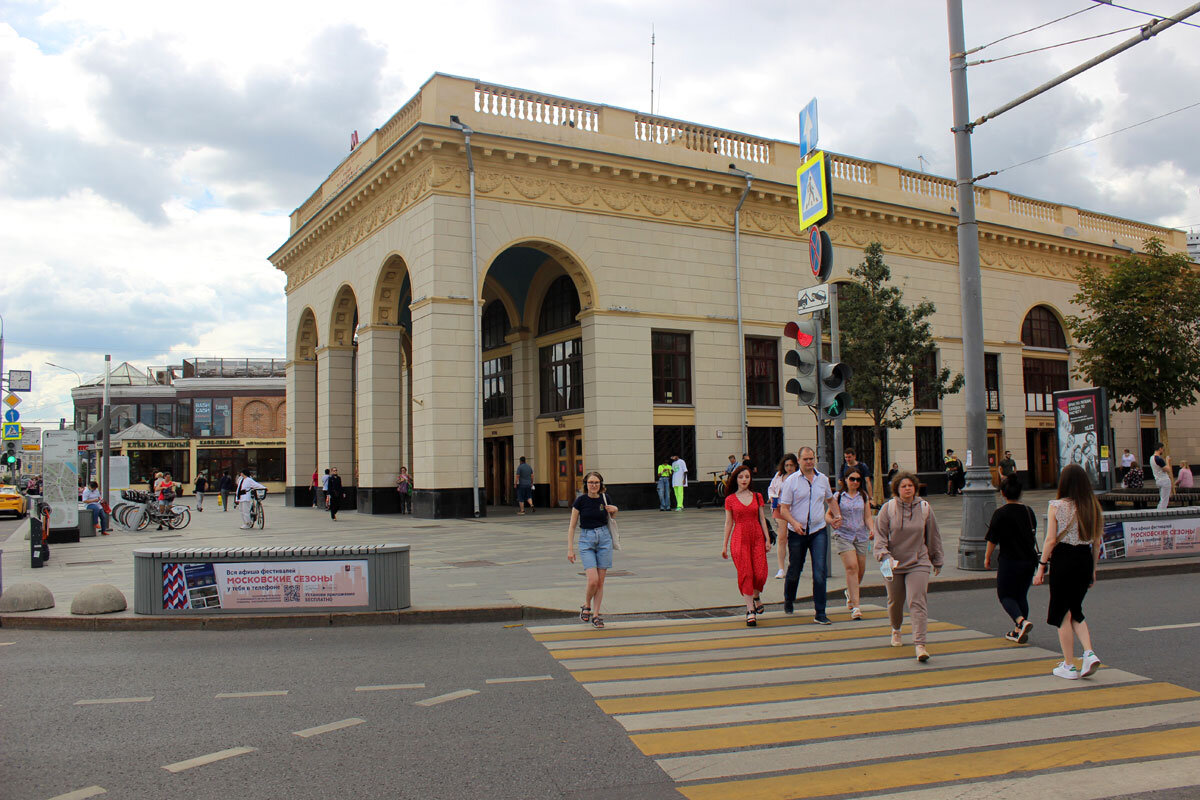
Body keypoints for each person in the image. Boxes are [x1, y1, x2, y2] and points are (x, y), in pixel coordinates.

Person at [1034, 463, 1103, 680]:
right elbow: (1097, 541)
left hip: (1063, 559)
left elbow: (1051, 539)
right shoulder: (1093, 505)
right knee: (1076, 609)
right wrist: (1093, 570)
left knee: (1062, 613)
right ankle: (1089, 653)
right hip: (1084, 559)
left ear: (1064, 483)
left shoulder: (1056, 505)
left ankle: (1069, 665)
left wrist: (1041, 566)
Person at [875, 471, 944, 661]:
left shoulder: (924, 508)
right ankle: (896, 629)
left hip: (918, 561)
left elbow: (933, 536)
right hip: (893, 563)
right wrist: (884, 556)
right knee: (895, 601)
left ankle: (920, 645)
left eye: (910, 486)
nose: (907, 489)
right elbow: (879, 538)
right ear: (897, 489)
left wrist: (936, 559)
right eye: (903, 486)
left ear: (915, 488)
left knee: (917, 601)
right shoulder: (888, 509)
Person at [778, 446, 834, 624]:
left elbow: (830, 499)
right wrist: (794, 523)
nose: (809, 462)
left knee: (820, 570)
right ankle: (789, 598)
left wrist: (837, 515)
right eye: (806, 459)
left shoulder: (822, 479)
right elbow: (784, 509)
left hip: (818, 530)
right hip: (797, 532)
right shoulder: (791, 482)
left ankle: (820, 612)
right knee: (795, 569)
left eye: (811, 459)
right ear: (799, 461)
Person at [984, 475, 1039, 643]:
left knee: (1005, 595)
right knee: (1021, 595)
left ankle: (1021, 622)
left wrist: (987, 558)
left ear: (1002, 493)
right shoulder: (1029, 511)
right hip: (1029, 561)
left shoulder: (1000, 513)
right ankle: (1017, 631)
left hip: (1010, 561)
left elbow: (993, 539)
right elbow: (1033, 533)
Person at [566, 471, 618, 630]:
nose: (593, 485)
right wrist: (570, 549)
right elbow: (572, 525)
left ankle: (596, 615)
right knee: (593, 580)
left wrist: (615, 510)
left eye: (596, 482)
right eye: (591, 482)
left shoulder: (605, 498)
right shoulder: (580, 501)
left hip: (604, 539)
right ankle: (586, 604)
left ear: (601, 484)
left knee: (601, 582)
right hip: (586, 540)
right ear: (586, 484)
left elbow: (612, 518)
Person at [722, 465, 772, 626]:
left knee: (760, 573)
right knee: (746, 573)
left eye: (747, 477)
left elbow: (762, 519)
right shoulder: (730, 499)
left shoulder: (757, 496)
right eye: (741, 477)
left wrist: (767, 539)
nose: (744, 480)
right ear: (735, 479)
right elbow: (728, 522)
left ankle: (756, 596)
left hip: (756, 536)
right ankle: (750, 609)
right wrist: (724, 545)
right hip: (739, 538)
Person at [827, 465, 875, 620]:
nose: (855, 482)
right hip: (843, 536)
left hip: (861, 536)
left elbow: (867, 516)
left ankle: (849, 592)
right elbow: (827, 515)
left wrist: (872, 529)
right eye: (852, 479)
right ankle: (856, 607)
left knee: (860, 571)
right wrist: (832, 521)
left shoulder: (863, 496)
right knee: (851, 567)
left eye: (858, 480)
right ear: (845, 480)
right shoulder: (838, 497)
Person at [769, 453, 798, 579]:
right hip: (779, 508)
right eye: (787, 465)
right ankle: (781, 568)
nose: (789, 468)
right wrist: (771, 496)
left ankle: (794, 565)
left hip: (794, 509)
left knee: (794, 538)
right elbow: (771, 488)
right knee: (782, 538)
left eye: (791, 465)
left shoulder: (799, 477)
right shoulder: (779, 475)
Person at [1149, 442, 1174, 510]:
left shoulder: (1151, 458)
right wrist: (1167, 461)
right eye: (1163, 449)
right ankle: (1161, 512)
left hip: (1158, 479)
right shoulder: (1159, 459)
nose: (1163, 451)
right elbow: (1168, 469)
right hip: (1164, 480)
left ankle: (1159, 511)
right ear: (1160, 449)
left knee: (1162, 498)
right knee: (1165, 499)